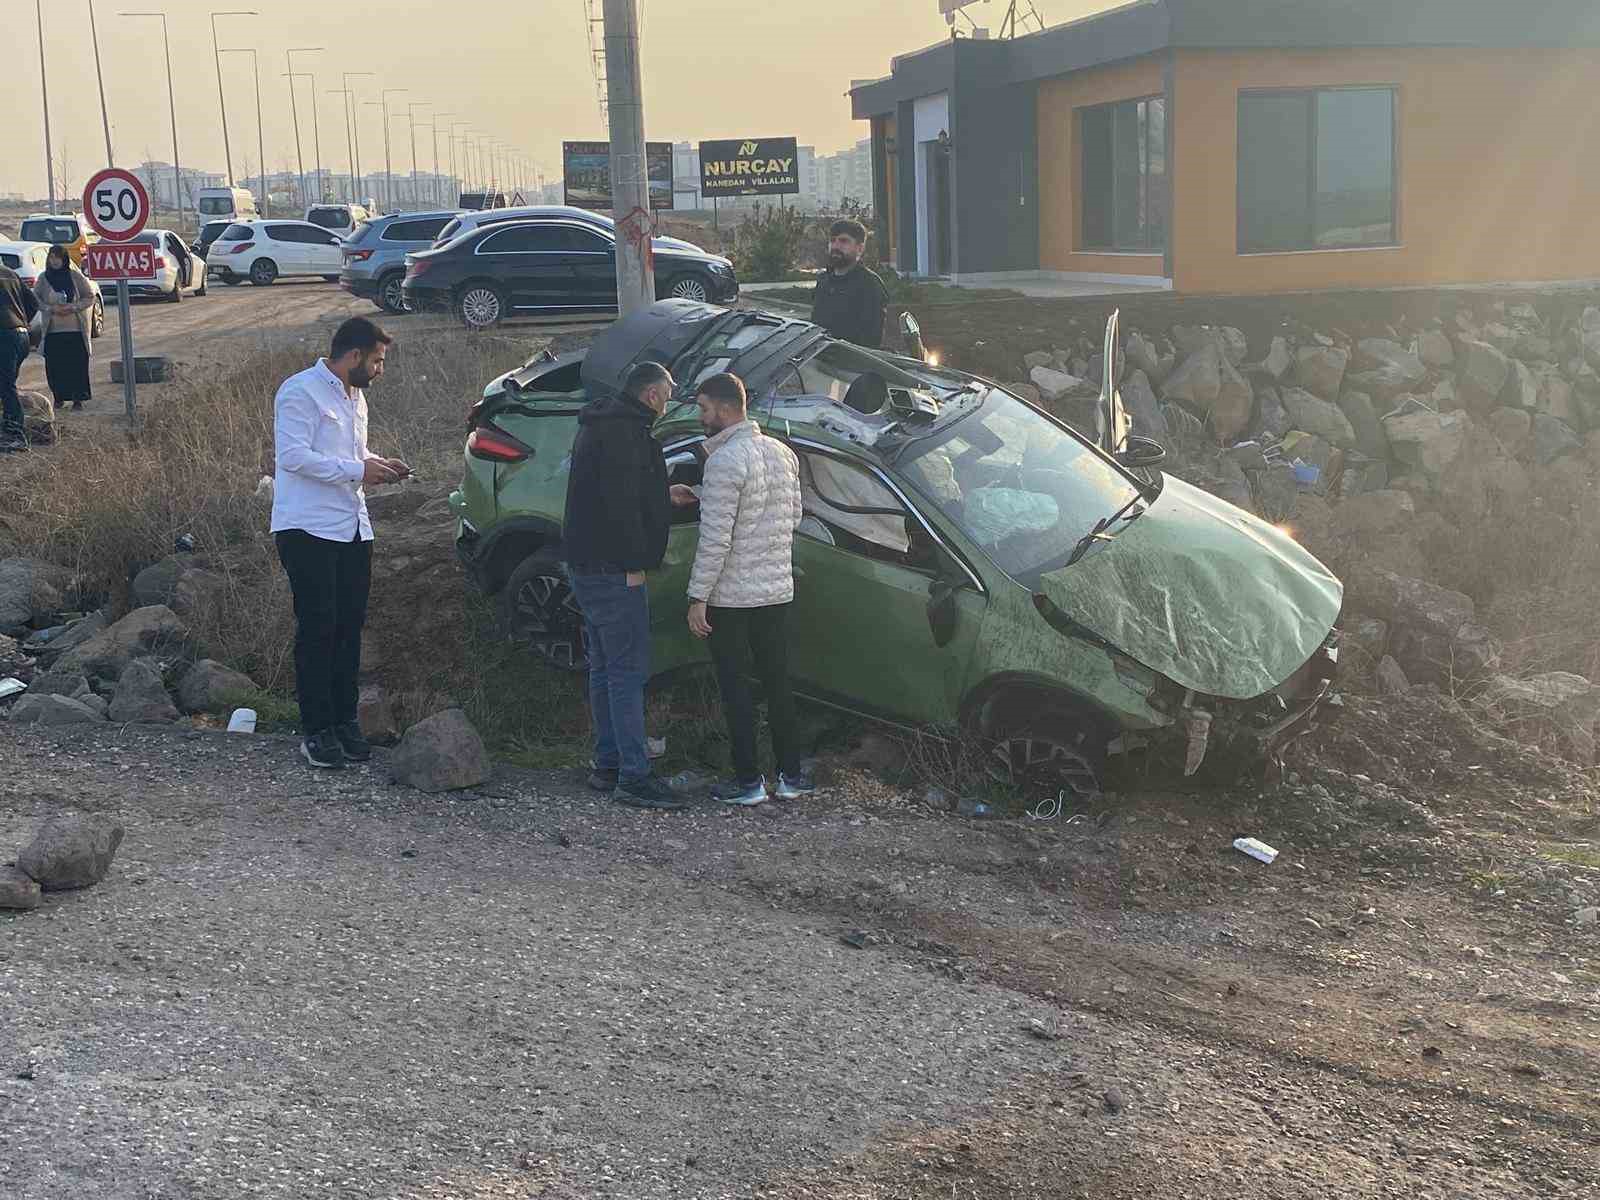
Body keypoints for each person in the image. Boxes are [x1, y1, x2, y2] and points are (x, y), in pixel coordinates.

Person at [271, 316, 410, 770]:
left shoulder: (356, 399)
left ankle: (345, 723)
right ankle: (317, 730)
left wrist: (377, 463)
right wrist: (358, 471)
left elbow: (348, 456)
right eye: (377, 361)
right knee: (319, 629)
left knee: (349, 631)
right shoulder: (299, 390)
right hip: (307, 529)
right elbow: (292, 458)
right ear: (353, 356)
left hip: (353, 526)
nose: (380, 370)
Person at [564, 360, 696, 811]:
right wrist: (635, 564)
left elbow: (615, 493)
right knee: (627, 673)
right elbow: (620, 508)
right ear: (653, 395)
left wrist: (663, 496)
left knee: (604, 668)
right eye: (669, 392)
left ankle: (608, 764)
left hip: (585, 565)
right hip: (613, 570)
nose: (672, 399)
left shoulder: (603, 424)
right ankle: (635, 777)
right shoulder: (627, 435)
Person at [684, 373, 812, 806]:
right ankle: (792, 776)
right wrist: (705, 495)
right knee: (778, 684)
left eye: (703, 409)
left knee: (736, 689)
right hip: (776, 591)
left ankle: (748, 783)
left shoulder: (723, 462)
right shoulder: (782, 453)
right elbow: (791, 516)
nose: (701, 417)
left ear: (723, 409)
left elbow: (716, 539)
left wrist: (697, 597)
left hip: (732, 599)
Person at [32, 246, 95, 411]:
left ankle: (77, 399)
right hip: (53, 331)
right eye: (52, 258)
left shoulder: (75, 277)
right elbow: (34, 298)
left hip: (74, 330)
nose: (55, 261)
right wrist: (49, 308)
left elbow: (89, 297)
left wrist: (73, 307)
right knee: (55, 367)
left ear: (64, 259)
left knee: (76, 366)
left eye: (58, 258)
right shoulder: (44, 278)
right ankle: (58, 397)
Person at [810, 218, 887, 349]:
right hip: (819, 358)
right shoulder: (824, 281)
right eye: (833, 240)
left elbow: (870, 340)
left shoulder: (870, 284)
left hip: (851, 362)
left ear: (860, 248)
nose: (836, 246)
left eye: (844, 241)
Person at [0, 261, 38, 452]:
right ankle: (8, 428)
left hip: (4, 335)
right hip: (22, 335)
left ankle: (16, 435)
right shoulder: (11, 274)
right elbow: (33, 303)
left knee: (6, 386)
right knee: (6, 385)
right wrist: (22, 322)